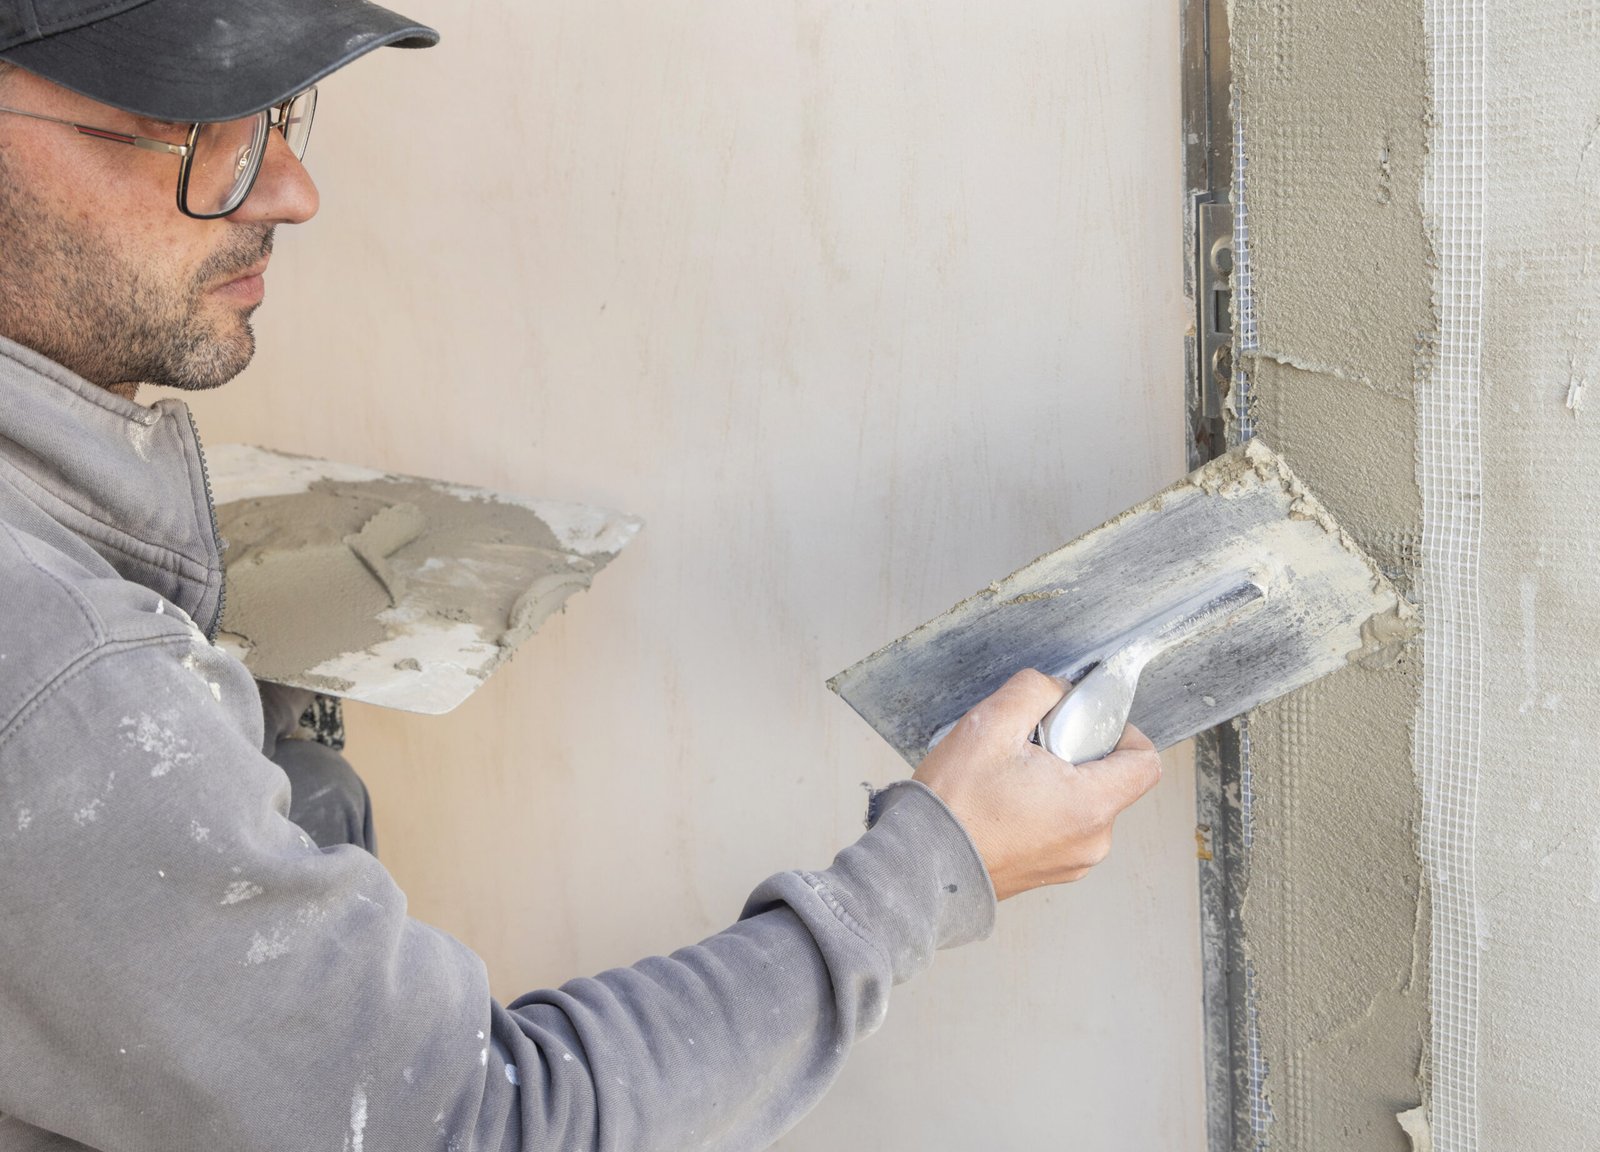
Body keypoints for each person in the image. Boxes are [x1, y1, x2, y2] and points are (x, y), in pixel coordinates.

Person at [0, 2, 1164, 1149]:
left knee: (313, 793)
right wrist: (924, 876)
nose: (290, 190)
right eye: (200, 127)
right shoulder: (68, 678)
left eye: (279, 115)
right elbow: (486, 1125)